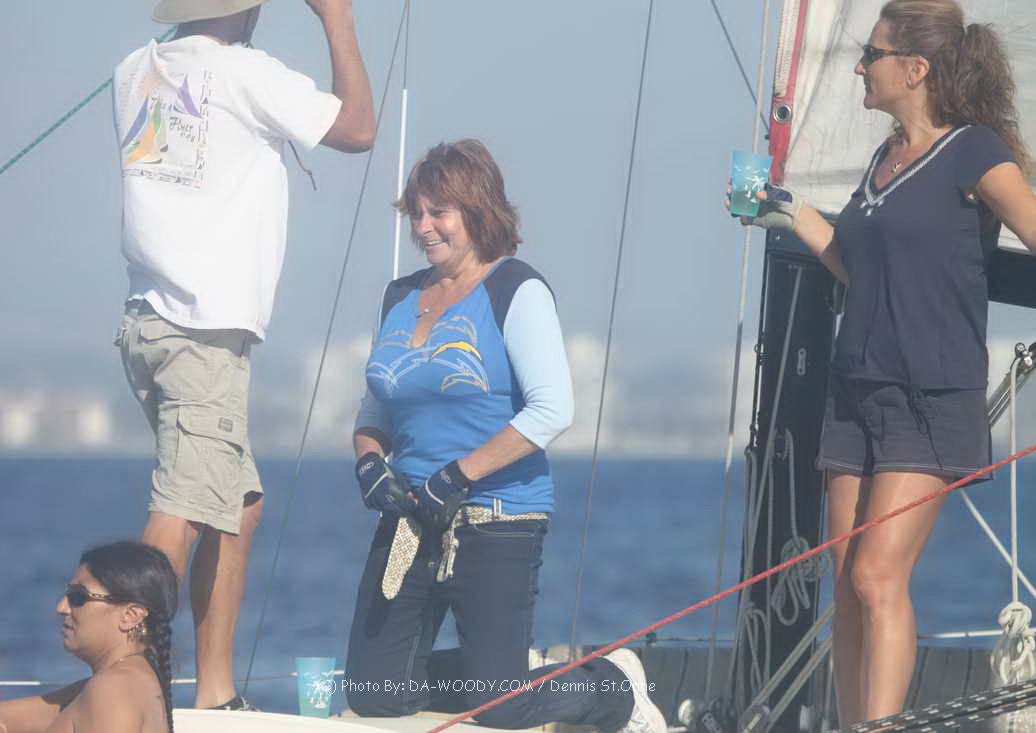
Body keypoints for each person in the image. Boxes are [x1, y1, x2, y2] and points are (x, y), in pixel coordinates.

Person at [735, 0, 1036, 724]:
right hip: (856, 389)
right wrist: (786, 209)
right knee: (845, 580)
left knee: (877, 576)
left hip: (929, 396)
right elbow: (854, 265)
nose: (859, 67)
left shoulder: (974, 152)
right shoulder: (883, 158)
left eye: (870, 54)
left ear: (916, 68)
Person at [342, 139, 667, 733]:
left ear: (476, 210)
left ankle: (611, 685)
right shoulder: (399, 296)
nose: (423, 226)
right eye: (416, 212)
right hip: (411, 520)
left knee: (501, 708)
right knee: (373, 694)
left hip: (496, 516)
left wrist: (457, 475)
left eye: (439, 212)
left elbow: (552, 411)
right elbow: (375, 407)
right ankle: (513, 671)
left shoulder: (517, 290)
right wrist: (368, 463)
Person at [111, 0, 375, 710]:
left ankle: (216, 694)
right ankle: (122, 689)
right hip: (203, 334)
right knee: (183, 508)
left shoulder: (133, 70)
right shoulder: (247, 74)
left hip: (147, 326)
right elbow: (358, 128)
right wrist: (337, 18)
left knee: (237, 506)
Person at [0, 541, 178, 733]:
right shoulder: (123, 682)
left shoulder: (111, 690)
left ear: (130, 615)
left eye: (78, 597)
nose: (61, 607)